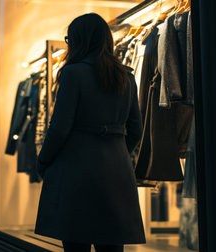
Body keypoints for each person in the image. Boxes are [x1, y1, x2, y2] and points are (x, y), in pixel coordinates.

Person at [34, 13, 145, 252]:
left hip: (76, 172)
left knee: (76, 244)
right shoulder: (126, 76)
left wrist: (43, 161)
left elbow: (60, 128)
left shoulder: (73, 74)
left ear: (78, 40)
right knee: (112, 245)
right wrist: (116, 153)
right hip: (117, 172)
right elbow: (136, 129)